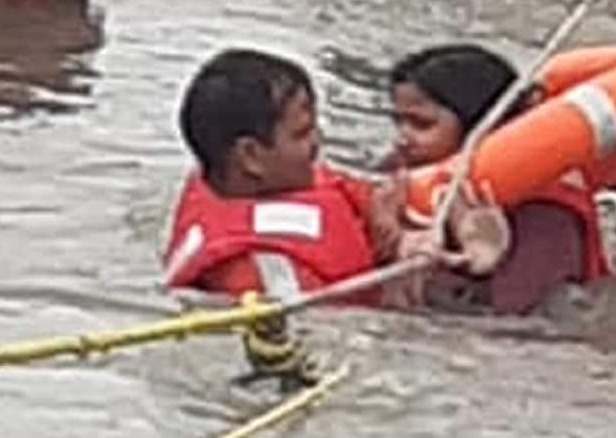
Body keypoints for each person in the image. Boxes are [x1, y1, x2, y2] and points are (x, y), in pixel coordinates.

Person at [162, 45, 509, 314]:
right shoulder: (261, 277)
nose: (318, 143)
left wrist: (397, 233)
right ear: (251, 156)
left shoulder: (267, 180)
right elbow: (333, 341)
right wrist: (468, 262)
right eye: (301, 134)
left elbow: (361, 192)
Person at [388, 42, 609, 312]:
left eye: (422, 124)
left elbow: (514, 322)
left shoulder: (547, 214)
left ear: (482, 125)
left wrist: (482, 260)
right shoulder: (403, 171)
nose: (401, 139)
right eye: (398, 122)